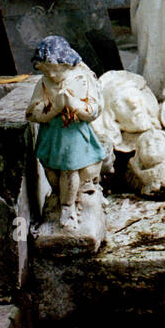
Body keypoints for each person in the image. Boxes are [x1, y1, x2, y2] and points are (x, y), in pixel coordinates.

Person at [25, 36, 110, 229]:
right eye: (48, 71)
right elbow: (31, 112)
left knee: (70, 168)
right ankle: (60, 196)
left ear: (68, 64)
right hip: (51, 135)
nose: (53, 75)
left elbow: (94, 109)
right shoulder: (44, 83)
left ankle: (68, 208)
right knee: (50, 171)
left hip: (73, 136)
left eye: (57, 70)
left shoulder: (81, 79)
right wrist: (54, 108)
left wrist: (74, 105)